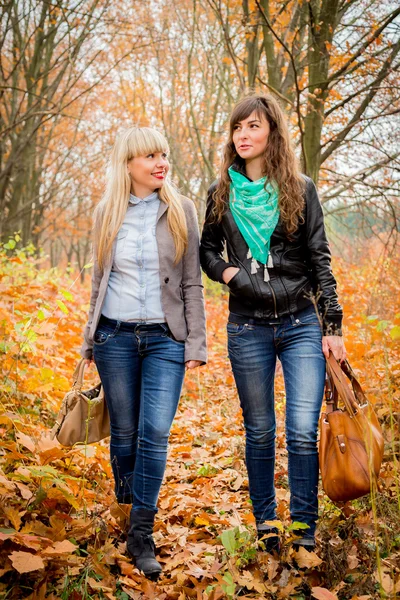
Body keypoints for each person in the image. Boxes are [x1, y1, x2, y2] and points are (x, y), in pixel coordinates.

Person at [200, 93, 345, 553]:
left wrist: (333, 327)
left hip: (302, 321)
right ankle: (266, 528)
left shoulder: (300, 189)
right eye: (237, 127)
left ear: (272, 133)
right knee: (260, 430)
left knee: (302, 430)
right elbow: (206, 250)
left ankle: (303, 533)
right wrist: (230, 274)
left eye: (253, 126)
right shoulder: (220, 192)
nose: (243, 135)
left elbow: (319, 259)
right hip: (248, 326)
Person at [80, 127, 207, 579]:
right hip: (114, 338)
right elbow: (99, 281)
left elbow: (192, 281)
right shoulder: (106, 212)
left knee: (154, 431)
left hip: (164, 339)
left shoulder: (182, 210)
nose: (161, 162)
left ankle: (140, 531)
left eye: (164, 154)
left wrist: (196, 343)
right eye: (151, 155)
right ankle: (128, 501)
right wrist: (89, 341)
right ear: (128, 162)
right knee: (125, 434)